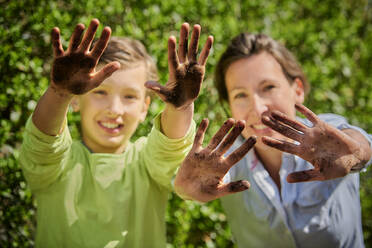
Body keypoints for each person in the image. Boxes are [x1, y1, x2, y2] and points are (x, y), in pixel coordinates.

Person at [19, 18, 213, 248]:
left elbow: (169, 150)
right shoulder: (57, 166)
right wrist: (58, 93)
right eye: (100, 92)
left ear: (144, 108)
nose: (114, 110)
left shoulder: (145, 163)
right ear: (76, 99)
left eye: (130, 96)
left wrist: (179, 107)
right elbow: (42, 145)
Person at [174, 33, 372, 247]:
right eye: (240, 95)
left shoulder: (327, 137)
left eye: (268, 87)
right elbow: (199, 181)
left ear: (297, 90)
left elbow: (358, 143)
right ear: (229, 105)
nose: (258, 109)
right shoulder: (228, 163)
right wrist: (185, 189)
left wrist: (358, 153)